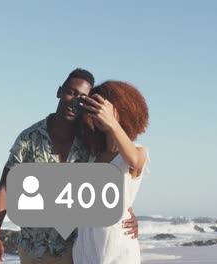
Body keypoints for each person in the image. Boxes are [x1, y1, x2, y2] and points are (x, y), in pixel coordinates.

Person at [0, 69, 139, 264]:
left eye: (83, 98)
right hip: (33, 249)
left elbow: (111, 183)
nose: (75, 101)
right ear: (59, 92)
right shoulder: (29, 138)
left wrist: (127, 214)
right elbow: (6, 188)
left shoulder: (90, 143)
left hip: (74, 251)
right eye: (71, 93)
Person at [72, 81, 150, 264]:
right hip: (85, 248)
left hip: (116, 250)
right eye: (95, 107)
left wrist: (113, 123)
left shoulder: (138, 151)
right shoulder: (91, 156)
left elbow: (134, 161)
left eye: (104, 106)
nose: (99, 112)